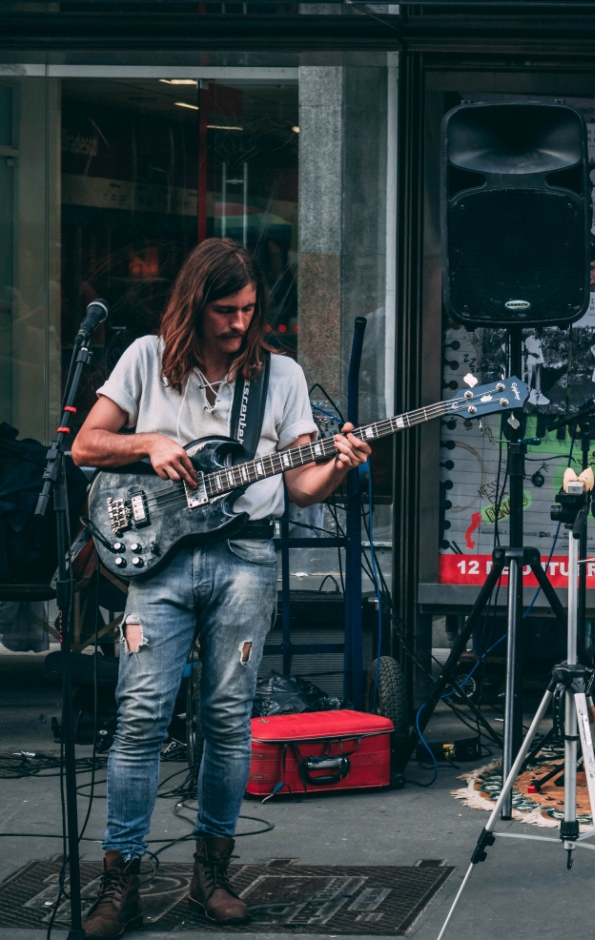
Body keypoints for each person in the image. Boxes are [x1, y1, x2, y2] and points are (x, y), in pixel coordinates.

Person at [70, 238, 372, 937]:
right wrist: (147, 443)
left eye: (248, 309)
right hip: (160, 561)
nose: (240, 323)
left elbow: (299, 487)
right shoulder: (147, 358)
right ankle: (121, 880)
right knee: (142, 714)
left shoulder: (282, 376)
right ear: (195, 304)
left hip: (246, 559)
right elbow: (86, 444)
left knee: (229, 719)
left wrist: (339, 465)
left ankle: (213, 872)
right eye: (226, 311)